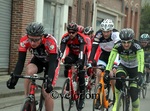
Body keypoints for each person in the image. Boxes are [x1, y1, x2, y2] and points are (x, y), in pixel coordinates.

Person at [6, 22, 60, 111]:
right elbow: (20, 62)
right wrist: (14, 79)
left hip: (52, 62)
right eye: (30, 39)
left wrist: (49, 81)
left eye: (36, 40)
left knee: (46, 92)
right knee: (29, 70)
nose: (32, 43)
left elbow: (52, 64)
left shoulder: (50, 41)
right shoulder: (24, 40)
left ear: (42, 37)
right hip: (38, 60)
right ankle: (28, 99)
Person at [104, 28, 144, 111]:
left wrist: (140, 73)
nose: (126, 45)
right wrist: (107, 71)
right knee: (118, 78)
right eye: (124, 42)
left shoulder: (137, 46)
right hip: (123, 66)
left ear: (132, 41)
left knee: (134, 95)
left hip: (135, 69)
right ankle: (117, 102)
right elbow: (111, 59)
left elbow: (141, 61)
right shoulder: (117, 46)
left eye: (128, 42)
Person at [60, 22, 87, 110]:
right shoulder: (65, 37)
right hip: (72, 54)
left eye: (73, 32)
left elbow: (82, 51)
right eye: (69, 32)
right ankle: (69, 83)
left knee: (81, 74)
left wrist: (80, 62)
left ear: (76, 32)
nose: (71, 34)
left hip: (81, 55)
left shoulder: (80, 38)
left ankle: (82, 97)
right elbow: (61, 50)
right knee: (67, 61)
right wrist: (59, 59)